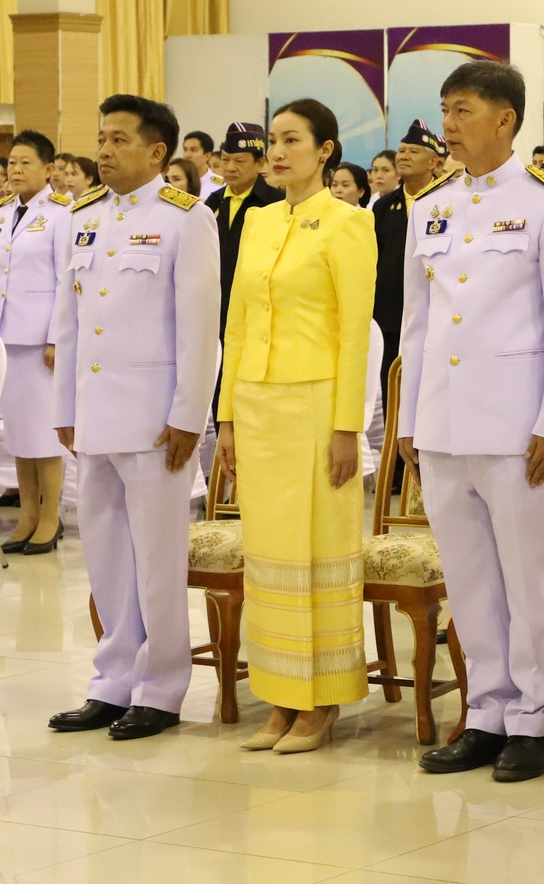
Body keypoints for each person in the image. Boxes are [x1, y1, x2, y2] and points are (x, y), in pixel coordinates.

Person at [400, 62, 544, 783]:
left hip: (516, 427)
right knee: (470, 577)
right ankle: (486, 711)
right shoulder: (431, 206)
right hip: (443, 422)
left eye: (463, 110)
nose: (448, 125)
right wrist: (411, 418)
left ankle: (533, 719)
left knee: (527, 577)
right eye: (445, 110)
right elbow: (417, 325)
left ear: (505, 119)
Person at [48, 96, 221, 742]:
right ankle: (112, 680)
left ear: (156, 151)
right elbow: (69, 322)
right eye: (102, 137)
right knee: (106, 558)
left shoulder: (186, 218)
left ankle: (162, 687)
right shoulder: (83, 216)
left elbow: (200, 329)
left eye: (119, 139)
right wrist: (65, 407)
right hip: (95, 416)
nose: (105, 149)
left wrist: (189, 415)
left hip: (155, 420)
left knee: (157, 560)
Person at [219, 98, 375, 752]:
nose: (277, 152)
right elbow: (237, 323)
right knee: (269, 554)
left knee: (315, 549)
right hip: (257, 404)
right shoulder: (257, 221)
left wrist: (346, 427)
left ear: (325, 150)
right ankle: (280, 697)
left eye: (292, 140)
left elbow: (354, 333)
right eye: (273, 141)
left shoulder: (349, 223)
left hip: (315, 406)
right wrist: (226, 417)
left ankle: (321, 699)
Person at [0, 129, 72, 555]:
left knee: (45, 434)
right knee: (19, 435)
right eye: (11, 163)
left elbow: (66, 281)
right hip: (7, 336)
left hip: (40, 342)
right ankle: (27, 516)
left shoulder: (61, 214)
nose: (15, 170)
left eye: (25, 163)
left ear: (49, 169)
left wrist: (56, 338)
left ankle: (51, 517)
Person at [371, 120, 448, 392]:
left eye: (413, 151)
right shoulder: (383, 207)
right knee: (392, 387)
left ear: (433, 162)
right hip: (390, 315)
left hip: (435, 311)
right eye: (401, 151)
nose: (403, 156)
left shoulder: (447, 202)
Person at [204, 122, 284, 359]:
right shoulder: (213, 202)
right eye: (225, 160)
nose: (230, 168)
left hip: (256, 310)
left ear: (260, 163)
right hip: (215, 308)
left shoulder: (276, 203)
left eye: (239, 161)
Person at [182, 131, 224, 199]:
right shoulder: (176, 182)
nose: (187, 155)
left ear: (207, 155)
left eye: (193, 150)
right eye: (185, 149)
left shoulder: (220, 186)